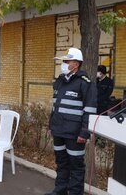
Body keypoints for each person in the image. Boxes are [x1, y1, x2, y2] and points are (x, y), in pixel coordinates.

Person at [46, 48, 97, 195]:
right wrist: (52, 126)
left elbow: (90, 110)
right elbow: (55, 107)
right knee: (61, 163)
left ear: (76, 64)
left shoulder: (85, 83)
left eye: (66, 61)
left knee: (76, 166)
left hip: (74, 134)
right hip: (59, 131)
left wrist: (84, 132)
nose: (63, 64)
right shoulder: (60, 82)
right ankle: (60, 190)